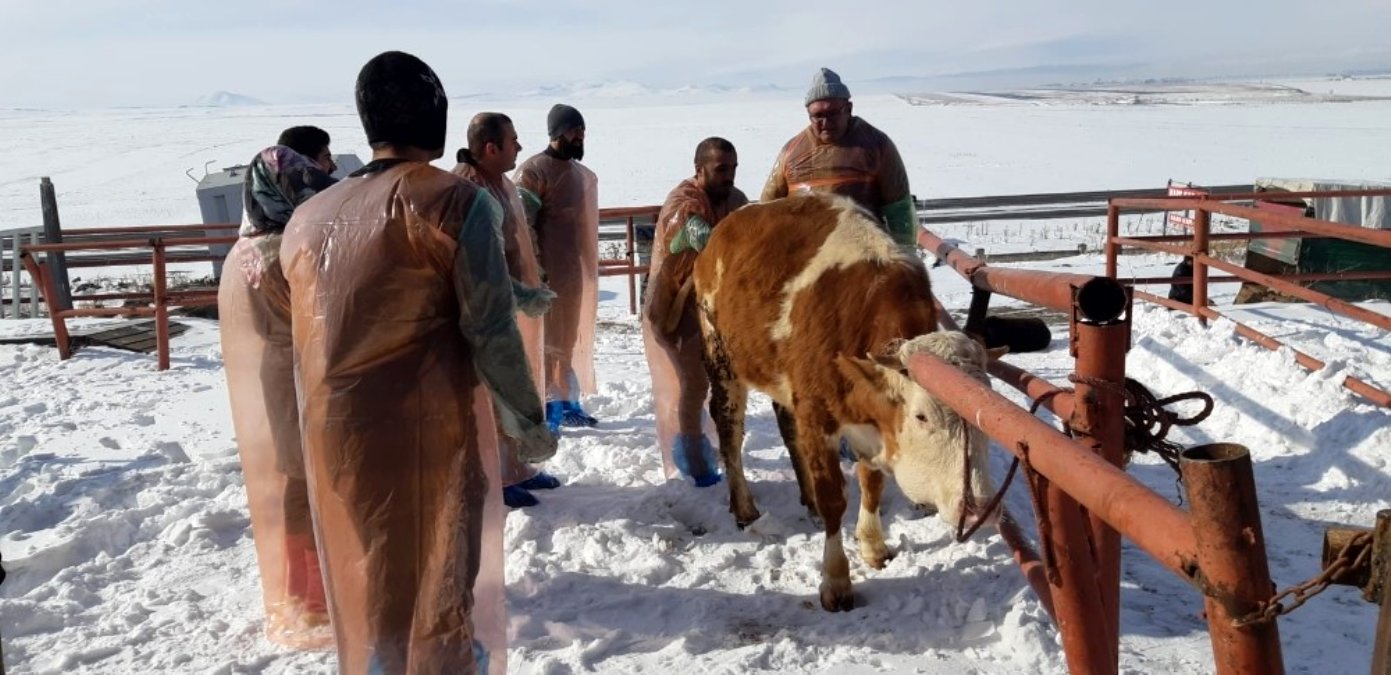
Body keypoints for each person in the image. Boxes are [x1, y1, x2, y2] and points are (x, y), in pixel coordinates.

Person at [280, 51, 555, 675]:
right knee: (441, 568)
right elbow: (488, 328)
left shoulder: (310, 215)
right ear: (436, 113)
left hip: (334, 430)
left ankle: (384, 662)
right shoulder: (452, 203)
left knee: (379, 560)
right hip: (424, 430)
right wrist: (527, 419)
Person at [218, 128, 338, 649]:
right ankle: (320, 593)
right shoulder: (287, 249)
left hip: (275, 372)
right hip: (304, 373)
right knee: (317, 478)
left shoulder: (244, 248)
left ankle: (302, 585)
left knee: (295, 476)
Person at [452, 113, 564, 508]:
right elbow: (479, 270)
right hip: (484, 311)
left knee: (514, 386)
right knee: (490, 396)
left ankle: (517, 469)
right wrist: (520, 294)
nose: (519, 146)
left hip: (508, 302)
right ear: (490, 148)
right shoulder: (466, 189)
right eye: (513, 140)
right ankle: (495, 477)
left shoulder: (499, 184)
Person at [642, 137, 748, 487]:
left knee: (723, 379)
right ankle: (693, 459)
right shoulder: (683, 202)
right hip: (677, 309)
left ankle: (721, 447)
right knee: (695, 381)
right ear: (699, 170)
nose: (729, 176)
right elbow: (695, 233)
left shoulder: (734, 200)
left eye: (733, 169)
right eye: (721, 170)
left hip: (717, 308)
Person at [761, 67, 918, 251]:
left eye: (832, 113)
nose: (825, 122)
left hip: (861, 259)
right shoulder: (791, 152)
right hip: (805, 261)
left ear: (848, 109)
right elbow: (767, 207)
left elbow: (899, 209)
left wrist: (906, 254)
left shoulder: (876, 146)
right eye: (818, 116)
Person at [515, 104, 601, 433]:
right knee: (545, 341)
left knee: (566, 339)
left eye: (581, 130)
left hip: (573, 274)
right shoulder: (534, 171)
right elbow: (523, 224)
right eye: (573, 130)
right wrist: (536, 267)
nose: (579, 136)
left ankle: (567, 401)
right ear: (556, 133)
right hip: (545, 275)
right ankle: (546, 405)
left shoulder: (578, 175)